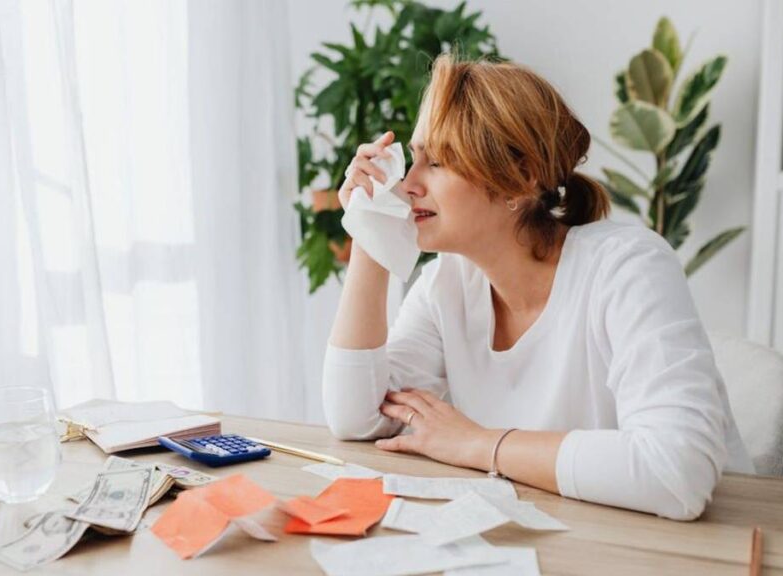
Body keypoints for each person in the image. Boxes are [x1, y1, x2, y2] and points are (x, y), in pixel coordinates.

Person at [322, 55, 753, 521]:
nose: (407, 185)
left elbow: (677, 474)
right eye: (415, 158)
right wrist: (368, 231)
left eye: (439, 162)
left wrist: (478, 443)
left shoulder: (628, 267)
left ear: (521, 180)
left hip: (709, 550)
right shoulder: (446, 284)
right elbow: (359, 418)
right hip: (574, 538)